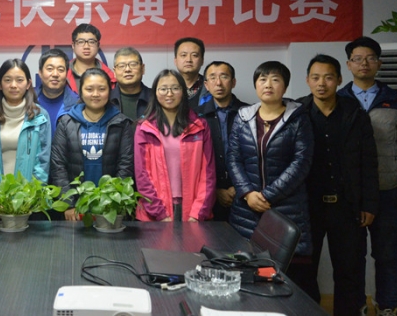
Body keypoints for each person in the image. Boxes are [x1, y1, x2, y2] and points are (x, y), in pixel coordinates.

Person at [298, 54, 379, 315]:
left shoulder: (355, 113)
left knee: (349, 272)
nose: (322, 83)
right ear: (308, 80)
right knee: (304, 271)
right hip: (308, 207)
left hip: (346, 206)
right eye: (316, 77)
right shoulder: (297, 113)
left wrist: (369, 204)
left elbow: (369, 161)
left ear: (340, 79)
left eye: (328, 77)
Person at [337, 36, 397, 316]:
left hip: (387, 190)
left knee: (387, 254)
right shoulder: (339, 99)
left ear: (379, 63)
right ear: (348, 64)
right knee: (352, 256)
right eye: (357, 59)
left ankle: (387, 306)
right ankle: (357, 305)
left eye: (370, 58)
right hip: (350, 192)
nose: (363, 63)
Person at [226, 61, 313, 282]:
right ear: (256, 85)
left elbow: (301, 162)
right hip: (246, 209)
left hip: (286, 207)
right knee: (245, 272)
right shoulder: (243, 117)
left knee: (285, 276)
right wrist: (247, 193)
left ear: (285, 86)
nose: (268, 85)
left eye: (275, 80)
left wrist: (267, 196)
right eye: (262, 79)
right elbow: (233, 157)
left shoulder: (298, 119)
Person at [50, 68, 134, 221]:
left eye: (101, 89)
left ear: (109, 91)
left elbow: (126, 165)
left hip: (110, 208)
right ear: (81, 92)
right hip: (75, 208)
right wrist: (68, 203)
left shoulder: (121, 123)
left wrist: (112, 202)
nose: (95, 94)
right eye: (89, 89)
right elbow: (58, 165)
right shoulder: (67, 123)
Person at [134, 69, 215, 222]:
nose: (169, 94)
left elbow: (208, 174)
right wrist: (160, 214)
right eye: (163, 89)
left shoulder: (199, 126)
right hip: (155, 212)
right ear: (155, 93)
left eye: (175, 88)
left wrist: (197, 213)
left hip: (192, 209)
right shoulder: (144, 128)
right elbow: (142, 175)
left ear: (183, 92)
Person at [0, 59, 51, 192]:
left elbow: (43, 163)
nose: (13, 85)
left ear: (28, 84)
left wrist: (29, 196)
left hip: (30, 198)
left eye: (19, 80)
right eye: (8, 80)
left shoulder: (40, 117)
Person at [195, 61, 248, 221]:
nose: (218, 83)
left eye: (224, 77)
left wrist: (239, 187)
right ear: (206, 84)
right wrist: (215, 190)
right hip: (207, 195)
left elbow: (254, 156)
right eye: (212, 78)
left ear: (233, 82)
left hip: (244, 193)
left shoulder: (248, 113)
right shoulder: (196, 117)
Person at [35, 48, 79, 135]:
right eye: (50, 69)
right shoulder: (28, 101)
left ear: (66, 74)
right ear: (40, 72)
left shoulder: (77, 105)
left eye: (61, 70)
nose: (55, 74)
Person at [65, 23, 116, 93]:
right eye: (81, 42)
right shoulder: (62, 74)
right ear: (73, 45)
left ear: (98, 45)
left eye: (91, 42)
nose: (86, 47)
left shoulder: (110, 77)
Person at [110, 47, 150, 121]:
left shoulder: (156, 98)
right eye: (121, 66)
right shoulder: (106, 99)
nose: (127, 69)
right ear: (114, 72)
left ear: (142, 69)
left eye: (133, 64)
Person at [174, 37, 210, 106]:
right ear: (175, 60)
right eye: (183, 55)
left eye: (194, 55)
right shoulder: (165, 87)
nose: (188, 60)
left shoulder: (211, 87)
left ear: (202, 60)